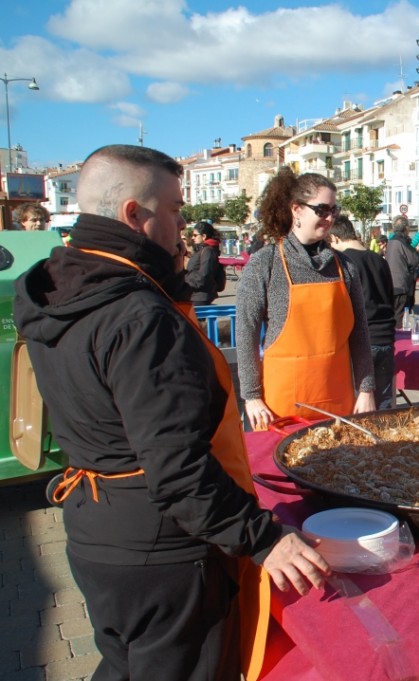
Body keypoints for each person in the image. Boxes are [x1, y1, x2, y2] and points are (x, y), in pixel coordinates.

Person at [12, 144, 329, 681]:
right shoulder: (138, 313)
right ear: (134, 214)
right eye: (176, 209)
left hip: (97, 530)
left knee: (123, 664)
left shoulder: (59, 284)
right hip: (161, 550)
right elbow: (177, 467)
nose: (183, 224)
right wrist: (264, 538)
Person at [236, 168, 375, 429]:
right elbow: (246, 333)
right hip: (279, 406)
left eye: (335, 210)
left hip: (338, 401)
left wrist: (366, 389)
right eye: (322, 209)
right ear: (297, 210)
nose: (330, 217)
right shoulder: (265, 263)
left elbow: (360, 334)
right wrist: (251, 396)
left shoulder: (345, 266)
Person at [329, 215, 397, 409]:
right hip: (386, 338)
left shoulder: (345, 263)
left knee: (358, 405)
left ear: (334, 238)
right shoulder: (380, 260)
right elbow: (391, 297)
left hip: (361, 341)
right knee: (383, 405)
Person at [385, 215, 419, 323]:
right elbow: (414, 260)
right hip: (400, 284)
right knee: (399, 316)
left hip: (390, 283)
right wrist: (417, 253)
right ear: (406, 228)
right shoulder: (401, 241)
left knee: (392, 315)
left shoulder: (391, 241)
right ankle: (398, 337)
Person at [184, 221, 226, 305]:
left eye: (195, 235)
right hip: (197, 295)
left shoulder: (208, 250)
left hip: (200, 296)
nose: (192, 238)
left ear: (203, 236)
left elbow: (204, 275)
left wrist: (185, 279)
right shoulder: (203, 249)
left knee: (194, 318)